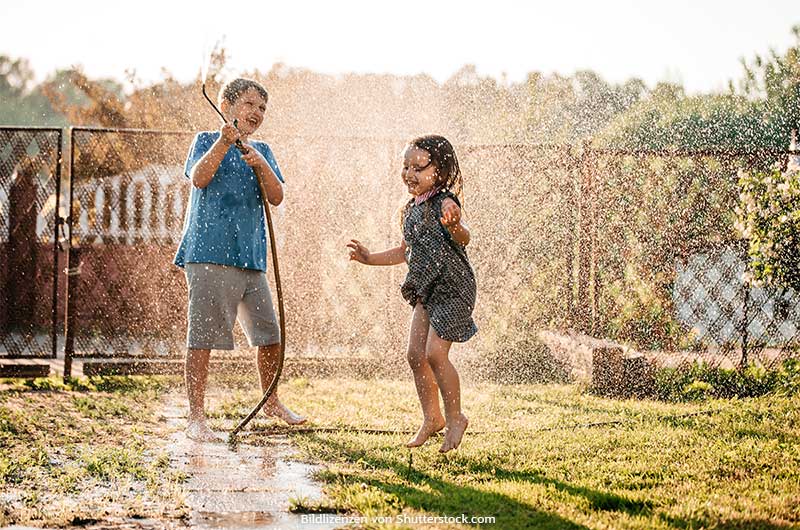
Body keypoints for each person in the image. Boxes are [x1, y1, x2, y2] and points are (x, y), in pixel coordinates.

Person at [175, 78, 305, 442]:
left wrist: (260, 163)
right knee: (202, 337)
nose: (257, 113)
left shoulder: (261, 149)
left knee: (270, 335)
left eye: (262, 108)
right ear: (227, 105)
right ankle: (196, 418)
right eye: (250, 104)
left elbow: (276, 197)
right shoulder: (206, 140)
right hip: (208, 254)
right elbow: (199, 179)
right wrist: (223, 142)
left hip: (250, 258)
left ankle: (271, 400)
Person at [347, 135, 476, 453]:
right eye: (406, 166)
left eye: (418, 167)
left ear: (440, 171)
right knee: (415, 355)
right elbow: (405, 252)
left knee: (435, 353)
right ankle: (432, 418)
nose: (409, 173)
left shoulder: (445, 202)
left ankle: (455, 416)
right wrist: (369, 258)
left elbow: (464, 238)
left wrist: (455, 224)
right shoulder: (408, 210)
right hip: (426, 288)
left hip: (453, 288)